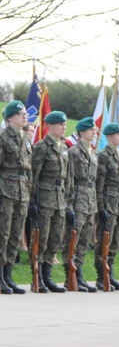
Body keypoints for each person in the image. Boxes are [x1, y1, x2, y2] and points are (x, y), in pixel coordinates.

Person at [30, 111, 71, 293]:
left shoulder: (63, 147)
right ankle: (37, 278)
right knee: (42, 238)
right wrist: (32, 202)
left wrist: (67, 201)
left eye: (64, 124)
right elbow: (33, 176)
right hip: (44, 198)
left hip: (59, 199)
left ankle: (48, 276)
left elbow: (66, 177)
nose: (63, 127)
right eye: (60, 124)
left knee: (55, 238)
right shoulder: (41, 147)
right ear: (50, 126)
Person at [61, 117, 98, 292]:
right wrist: (68, 206)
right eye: (91, 129)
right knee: (72, 238)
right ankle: (71, 275)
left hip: (90, 200)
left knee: (84, 239)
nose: (94, 132)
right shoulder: (74, 153)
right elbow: (69, 181)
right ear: (82, 132)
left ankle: (80, 273)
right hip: (77, 199)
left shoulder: (93, 152)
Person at [0, 101, 33, 294]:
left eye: (25, 113)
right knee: (2, 235)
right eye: (20, 113)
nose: (24, 116)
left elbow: (28, 169)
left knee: (14, 235)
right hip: (5, 191)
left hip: (22, 191)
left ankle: (8, 275)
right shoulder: (3, 138)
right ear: (10, 118)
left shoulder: (25, 139)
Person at [94, 123, 119, 291]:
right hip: (108, 202)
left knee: (115, 241)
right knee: (104, 240)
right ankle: (102, 276)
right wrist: (101, 208)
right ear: (109, 137)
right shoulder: (103, 156)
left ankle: (111, 273)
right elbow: (99, 184)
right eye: (117, 134)